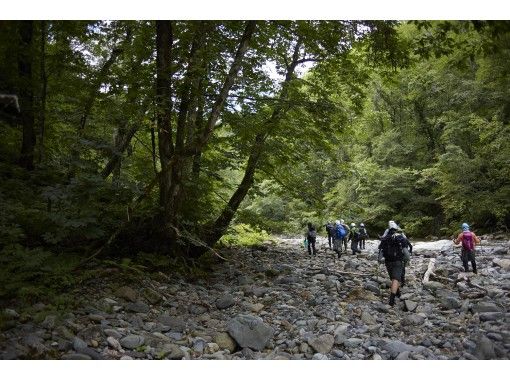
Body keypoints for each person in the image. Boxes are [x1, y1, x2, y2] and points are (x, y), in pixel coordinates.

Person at [378, 220, 413, 306]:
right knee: (396, 279)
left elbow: (380, 255)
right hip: (398, 261)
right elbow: (407, 254)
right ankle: (391, 300)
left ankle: (397, 293)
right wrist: (406, 260)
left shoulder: (385, 238)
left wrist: (380, 261)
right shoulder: (401, 237)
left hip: (388, 261)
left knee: (393, 278)